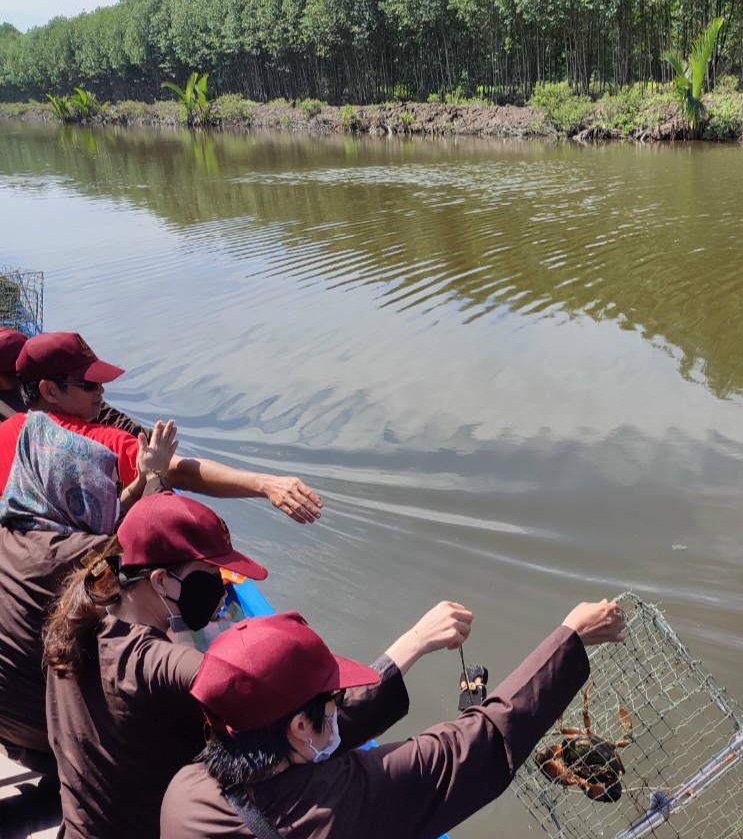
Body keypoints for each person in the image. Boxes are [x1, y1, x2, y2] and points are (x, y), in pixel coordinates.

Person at [44, 490, 471, 839]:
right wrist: (411, 645)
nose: (220, 588)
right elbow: (294, 719)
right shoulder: (162, 667)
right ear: (161, 581)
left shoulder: (85, 618)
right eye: (209, 574)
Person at [159, 599, 626, 839]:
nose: (339, 709)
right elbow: (472, 746)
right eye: (332, 701)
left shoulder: (185, 788)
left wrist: (416, 641)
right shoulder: (336, 807)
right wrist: (572, 640)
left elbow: (323, 735)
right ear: (299, 727)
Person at [0, 411, 174, 774]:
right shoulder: (88, 560)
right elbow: (142, 545)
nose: (111, 492)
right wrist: (156, 477)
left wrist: (140, 480)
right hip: (51, 734)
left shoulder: (12, 535)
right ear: (77, 497)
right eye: (104, 487)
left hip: (9, 730)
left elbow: (106, 528)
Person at [0, 331, 323, 523]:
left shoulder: (6, 432)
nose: (101, 392)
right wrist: (265, 484)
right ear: (49, 390)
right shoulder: (99, 442)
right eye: (89, 385)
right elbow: (179, 471)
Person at [0, 325, 147, 436]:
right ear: (49, 390)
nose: (100, 389)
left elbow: (105, 413)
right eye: (89, 384)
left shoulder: (76, 397)